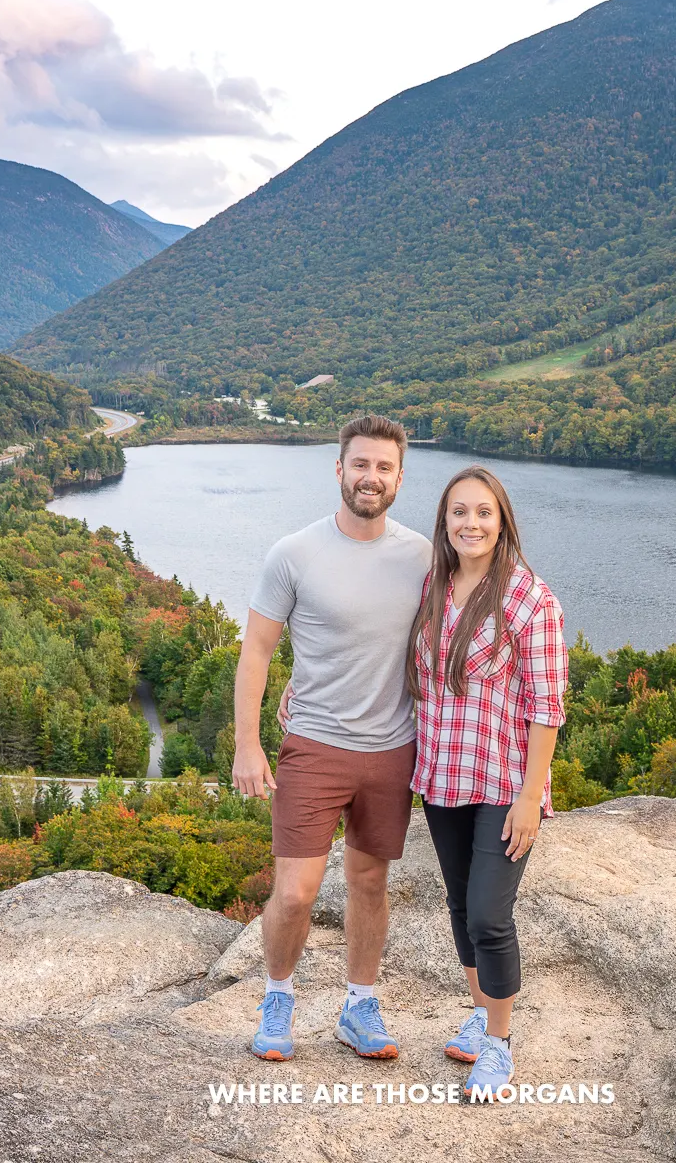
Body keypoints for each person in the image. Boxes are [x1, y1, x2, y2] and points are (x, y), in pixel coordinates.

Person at [232, 414, 432, 1062]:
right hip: (314, 747)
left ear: (400, 478)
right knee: (295, 891)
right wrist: (247, 744)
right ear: (339, 469)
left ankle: (358, 1006)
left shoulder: (423, 557)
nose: (370, 477)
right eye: (360, 464)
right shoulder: (293, 553)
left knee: (370, 883)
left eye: (383, 467)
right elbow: (257, 652)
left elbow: (446, 643)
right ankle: (278, 996)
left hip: (391, 748)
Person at [405, 465, 565, 1100]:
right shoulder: (433, 588)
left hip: (502, 779)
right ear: (444, 524)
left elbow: (547, 707)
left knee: (489, 915)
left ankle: (499, 1044)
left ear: (502, 523)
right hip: (442, 774)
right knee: (458, 905)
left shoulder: (530, 598)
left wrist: (531, 796)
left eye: (483, 513)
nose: (470, 524)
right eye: (458, 513)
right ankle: (481, 1013)